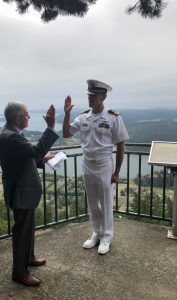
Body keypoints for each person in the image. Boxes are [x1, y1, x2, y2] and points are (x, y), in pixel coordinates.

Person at [63, 79, 129, 255]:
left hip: (104, 165)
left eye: (94, 96)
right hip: (87, 164)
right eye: (89, 95)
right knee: (93, 204)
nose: (90, 99)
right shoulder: (83, 117)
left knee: (106, 203)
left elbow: (121, 145)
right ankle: (97, 233)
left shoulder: (113, 117)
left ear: (103, 96)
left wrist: (117, 172)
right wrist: (67, 114)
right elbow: (66, 133)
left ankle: (106, 238)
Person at [0, 101, 59, 286]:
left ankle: (29, 257)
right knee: (22, 231)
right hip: (20, 193)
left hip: (24, 192)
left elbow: (26, 158)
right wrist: (50, 127)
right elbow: (35, 151)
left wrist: (43, 159)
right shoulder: (10, 137)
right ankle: (20, 273)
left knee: (28, 228)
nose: (29, 118)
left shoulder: (11, 134)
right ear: (18, 118)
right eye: (27, 115)